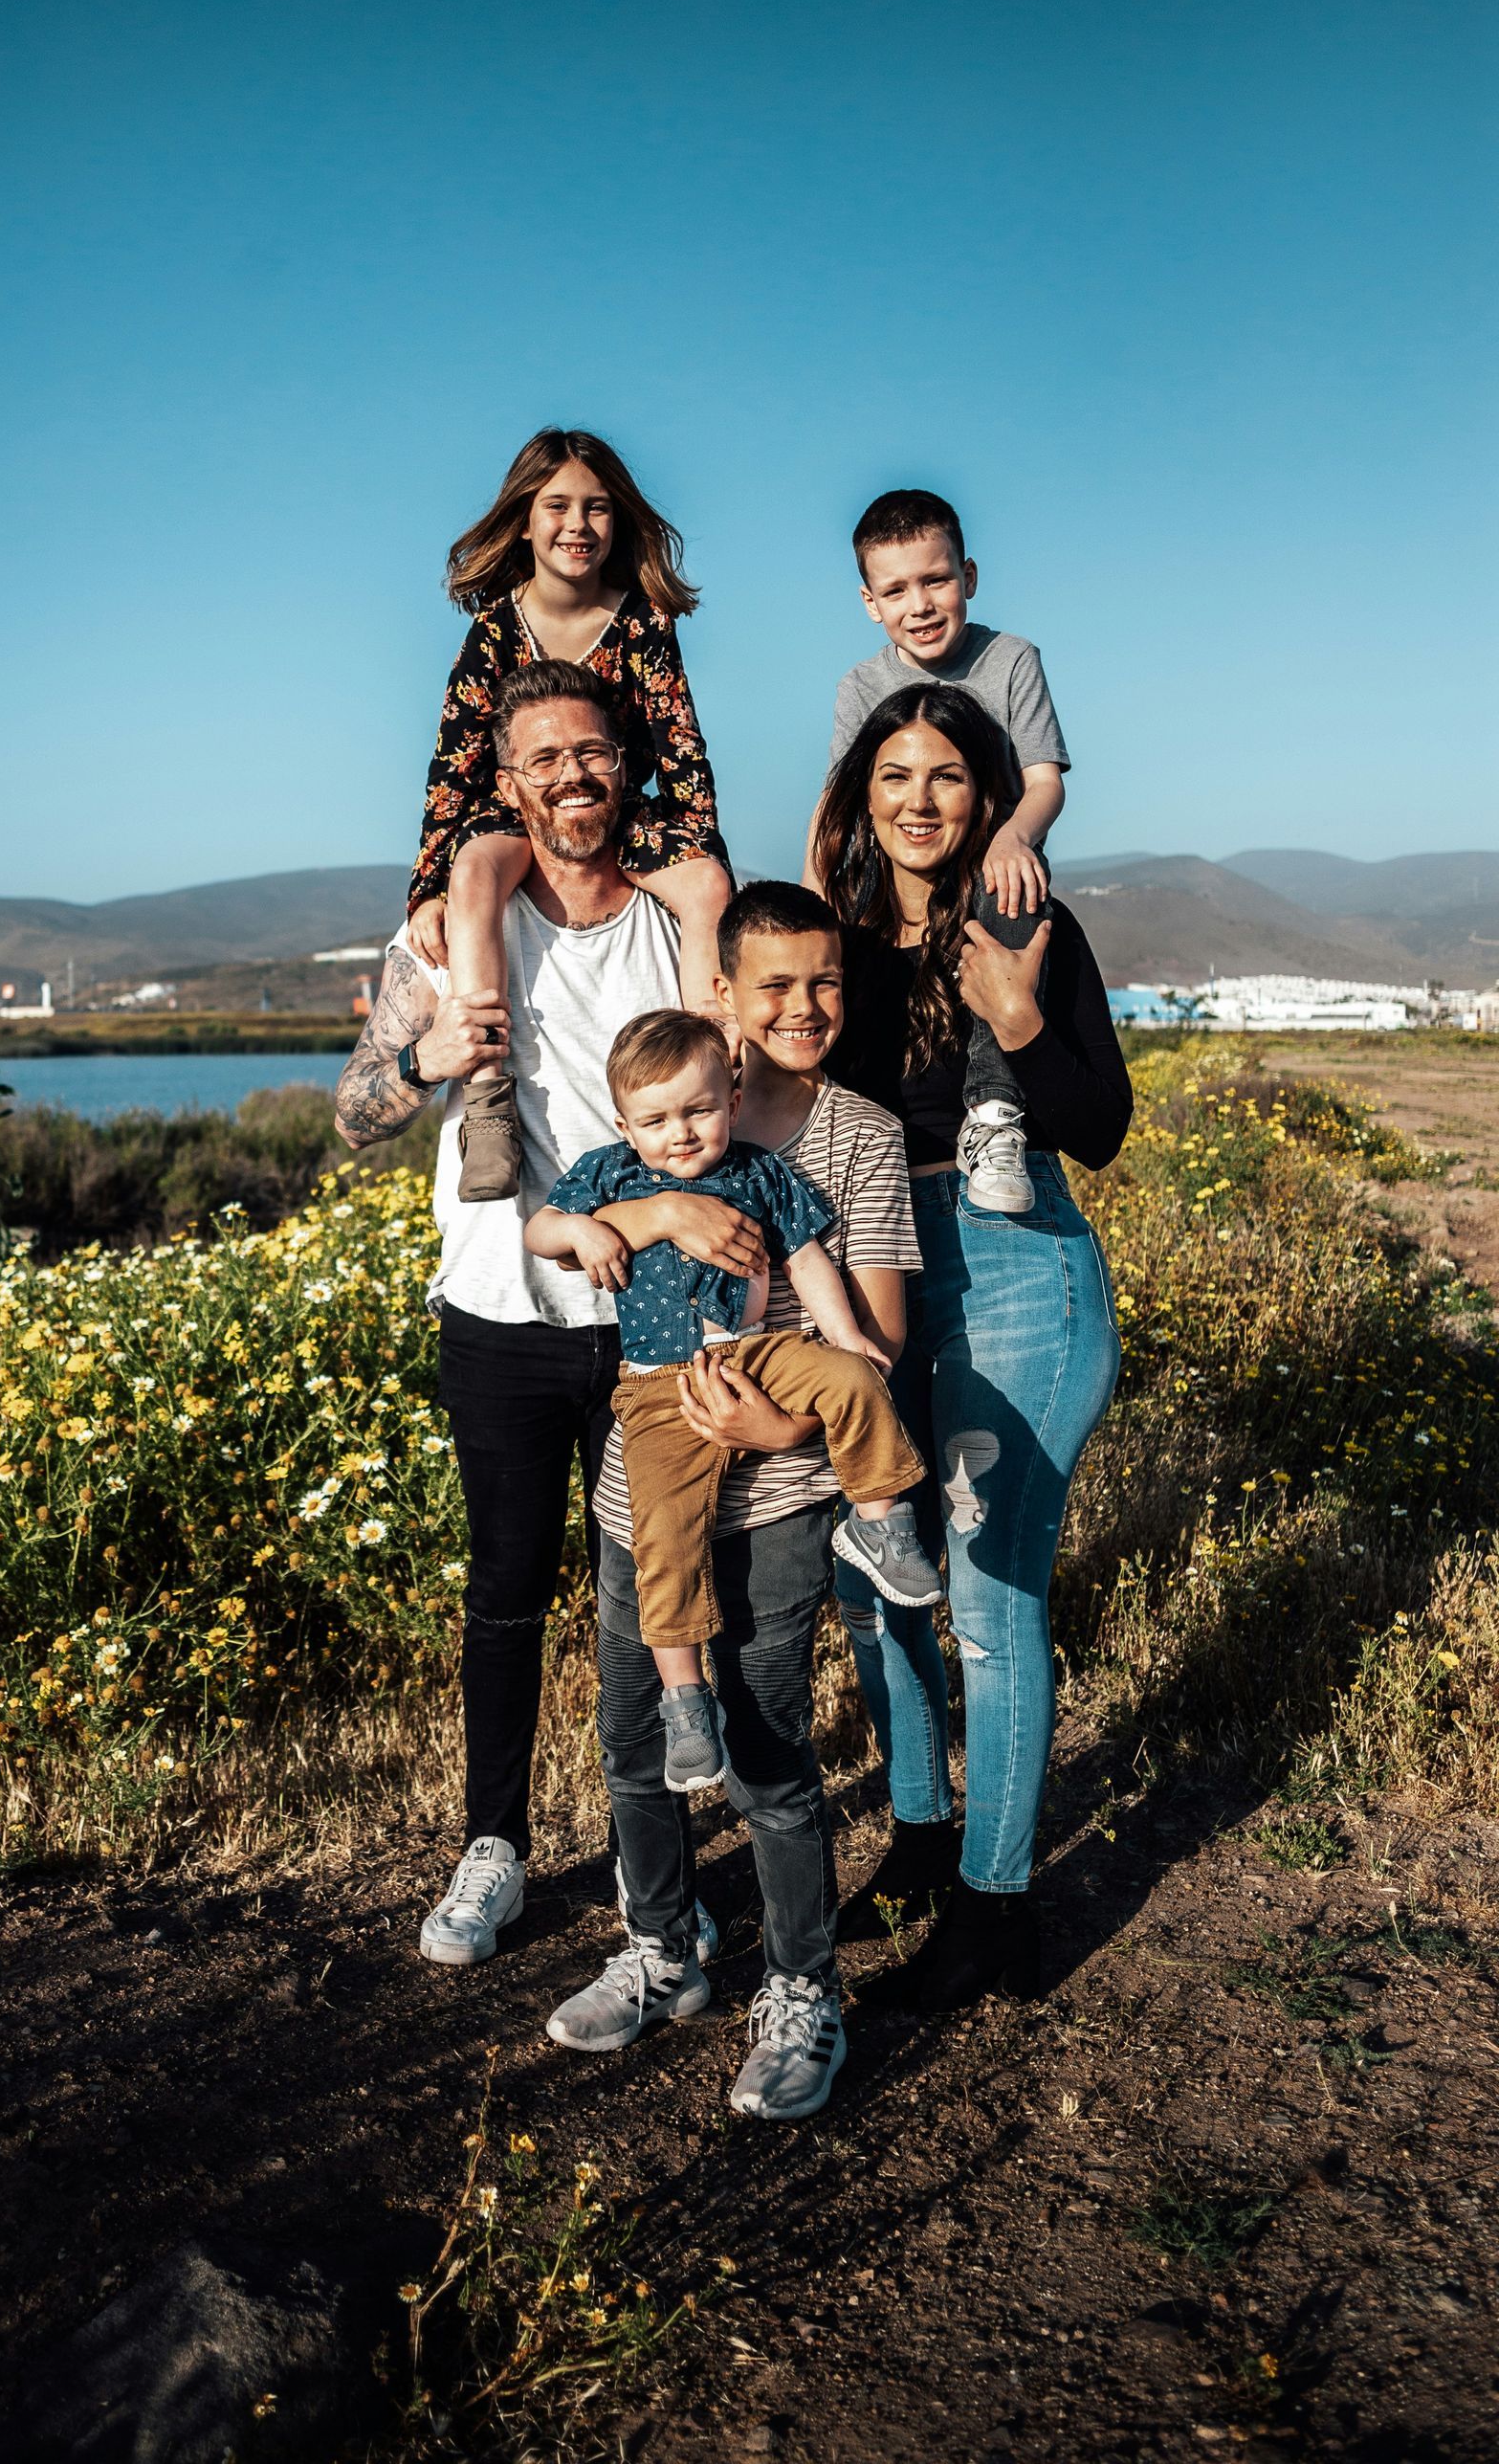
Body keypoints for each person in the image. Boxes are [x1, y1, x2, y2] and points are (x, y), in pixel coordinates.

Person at [336, 657, 716, 1972]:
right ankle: (491, 1846)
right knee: (504, 1591)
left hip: (650, 1317)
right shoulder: (441, 937)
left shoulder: (673, 927)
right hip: (499, 1309)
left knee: (642, 1593)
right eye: (543, 758)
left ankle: (645, 1861)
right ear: (506, 784)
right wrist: (419, 1059)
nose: (572, 777)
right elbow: (352, 1114)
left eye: (594, 753)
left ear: (629, 769)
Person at [543, 881, 924, 2120]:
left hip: (784, 1483)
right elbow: (557, 1233)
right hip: (639, 1478)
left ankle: (802, 1986)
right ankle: (664, 1948)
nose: (804, 1007)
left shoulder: (853, 1136)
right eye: (775, 984)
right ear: (723, 997)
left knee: (766, 1748)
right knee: (636, 1734)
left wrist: (777, 1427)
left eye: (825, 983)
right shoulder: (655, 1117)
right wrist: (650, 1208)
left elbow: (878, 1335)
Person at [814, 684, 1131, 2012]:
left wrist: (1011, 1008)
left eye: (948, 775)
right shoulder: (832, 941)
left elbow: (1098, 1122)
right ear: (860, 795)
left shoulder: (1030, 926)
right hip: (875, 1266)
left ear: (987, 794)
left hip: (1015, 1270)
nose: (920, 800)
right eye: (895, 775)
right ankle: (923, 1835)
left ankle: (999, 1911)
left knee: (992, 1608)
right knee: (876, 1574)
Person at [524, 1008, 933, 1797]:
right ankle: (685, 1697)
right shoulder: (609, 1174)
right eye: (656, 1119)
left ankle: (883, 1527)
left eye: (699, 1110)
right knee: (664, 1534)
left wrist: (849, 1338)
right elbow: (540, 1230)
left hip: (760, 1354)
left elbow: (807, 1258)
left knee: (856, 1382)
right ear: (624, 1124)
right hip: (656, 1385)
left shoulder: (759, 1172)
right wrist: (586, 1233)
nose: (680, 1133)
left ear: (733, 1103)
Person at [407, 429, 732, 1205]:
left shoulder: (645, 622)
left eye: (596, 508)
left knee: (708, 886)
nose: (576, 525)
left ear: (618, 521)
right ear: (524, 519)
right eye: (557, 506)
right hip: (516, 812)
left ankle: (717, 1069)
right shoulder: (492, 630)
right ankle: (489, 1101)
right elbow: (452, 766)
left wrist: (700, 855)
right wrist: (426, 887)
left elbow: (681, 749)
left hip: (625, 810)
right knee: (476, 867)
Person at [810, 488, 1069, 1217]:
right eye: (896, 589)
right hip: (893, 879)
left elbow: (1044, 781)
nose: (919, 604)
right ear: (870, 602)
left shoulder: (1011, 658)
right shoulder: (862, 685)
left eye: (936, 580)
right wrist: (810, 901)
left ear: (970, 577)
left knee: (1013, 885)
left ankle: (993, 1116)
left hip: (991, 872)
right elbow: (836, 805)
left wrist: (1015, 833)